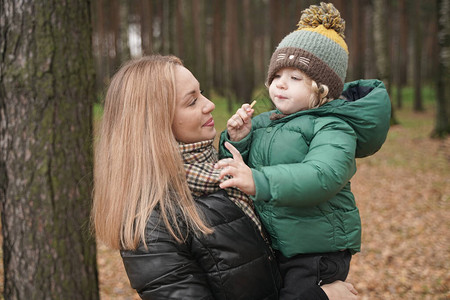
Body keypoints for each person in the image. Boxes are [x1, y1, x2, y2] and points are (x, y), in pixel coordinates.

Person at [92, 54, 359, 299]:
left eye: (202, 93)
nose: (209, 105)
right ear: (155, 123)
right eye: (192, 100)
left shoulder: (217, 173)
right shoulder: (152, 226)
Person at [216, 3, 391, 300]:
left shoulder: (334, 127)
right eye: (277, 76)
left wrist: (259, 181)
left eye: (295, 78)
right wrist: (238, 138)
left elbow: (322, 175)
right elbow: (233, 166)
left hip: (316, 250)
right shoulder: (263, 123)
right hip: (275, 244)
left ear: (322, 89)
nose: (281, 85)